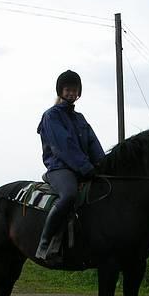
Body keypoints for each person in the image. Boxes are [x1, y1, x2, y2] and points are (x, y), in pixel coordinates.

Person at [35, 70, 105, 260]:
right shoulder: (51, 116)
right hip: (60, 167)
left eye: (74, 90)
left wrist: (103, 165)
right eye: (67, 90)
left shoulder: (80, 118)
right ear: (61, 91)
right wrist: (86, 168)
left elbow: (93, 144)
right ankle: (45, 243)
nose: (71, 93)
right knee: (69, 195)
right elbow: (63, 146)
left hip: (81, 167)